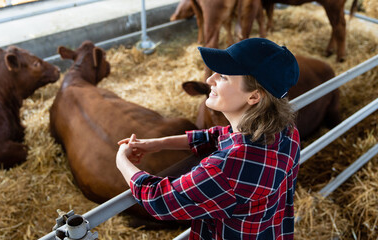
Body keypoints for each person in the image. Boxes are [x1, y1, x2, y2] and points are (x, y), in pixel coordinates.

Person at [116, 38, 301, 239]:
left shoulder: (227, 167)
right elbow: (219, 135)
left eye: (223, 76)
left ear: (254, 97)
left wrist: (122, 161)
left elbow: (159, 200)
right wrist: (159, 143)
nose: (209, 80)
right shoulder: (286, 131)